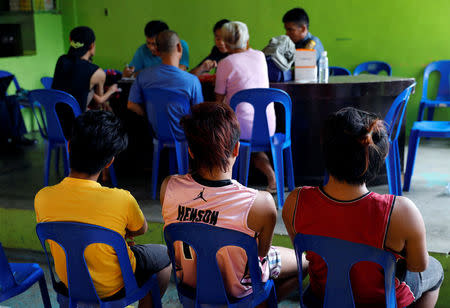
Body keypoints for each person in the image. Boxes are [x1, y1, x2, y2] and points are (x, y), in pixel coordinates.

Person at [282, 107, 444, 307]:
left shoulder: (295, 201)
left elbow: (307, 252)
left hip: (323, 297)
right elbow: (418, 265)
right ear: (379, 159)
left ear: (325, 151)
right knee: (435, 271)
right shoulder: (401, 211)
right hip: (381, 302)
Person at [161, 102, 300, 301]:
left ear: (191, 151)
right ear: (236, 148)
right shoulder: (261, 203)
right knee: (306, 261)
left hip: (191, 286)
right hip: (239, 291)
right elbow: (261, 254)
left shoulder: (168, 187)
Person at [35, 110, 171, 307]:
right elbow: (141, 230)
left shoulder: (42, 197)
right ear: (110, 161)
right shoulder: (121, 199)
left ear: (69, 146)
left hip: (69, 284)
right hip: (115, 287)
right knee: (164, 255)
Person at [215, 21, 277, 192]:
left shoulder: (225, 63)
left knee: (221, 132)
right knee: (253, 143)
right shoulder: (260, 56)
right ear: (247, 40)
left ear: (225, 43)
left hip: (239, 129)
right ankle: (272, 178)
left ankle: (223, 183)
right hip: (267, 125)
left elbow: (218, 102)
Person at [52, 26, 119, 139]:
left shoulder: (61, 60)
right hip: (78, 130)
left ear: (71, 42)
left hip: (56, 125)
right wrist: (112, 90)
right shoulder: (97, 72)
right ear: (92, 45)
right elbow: (98, 104)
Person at [127, 30, 203, 119]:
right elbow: (199, 113)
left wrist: (149, 119)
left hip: (154, 132)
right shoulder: (192, 81)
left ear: (157, 51)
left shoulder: (143, 77)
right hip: (184, 132)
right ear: (179, 47)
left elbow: (131, 105)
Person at [123, 20, 190, 77]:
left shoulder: (179, 45)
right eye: (148, 43)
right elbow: (132, 74)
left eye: (154, 44)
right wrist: (127, 74)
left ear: (165, 41)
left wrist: (145, 72)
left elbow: (180, 71)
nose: (151, 48)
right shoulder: (142, 50)